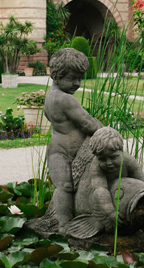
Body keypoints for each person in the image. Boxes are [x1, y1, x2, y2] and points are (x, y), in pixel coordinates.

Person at [43, 47, 102, 232]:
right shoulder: (66, 100)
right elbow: (87, 124)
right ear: (57, 75)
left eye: (80, 78)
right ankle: (64, 225)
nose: (77, 83)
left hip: (57, 151)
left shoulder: (49, 96)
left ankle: (66, 222)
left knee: (64, 186)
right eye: (72, 78)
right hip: (63, 152)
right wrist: (105, 131)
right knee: (64, 186)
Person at [65, 126, 144, 239]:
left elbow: (142, 180)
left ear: (121, 151)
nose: (109, 163)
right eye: (103, 159)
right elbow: (100, 190)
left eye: (113, 157)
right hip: (103, 199)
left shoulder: (129, 161)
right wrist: (110, 213)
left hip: (119, 190)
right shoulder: (96, 166)